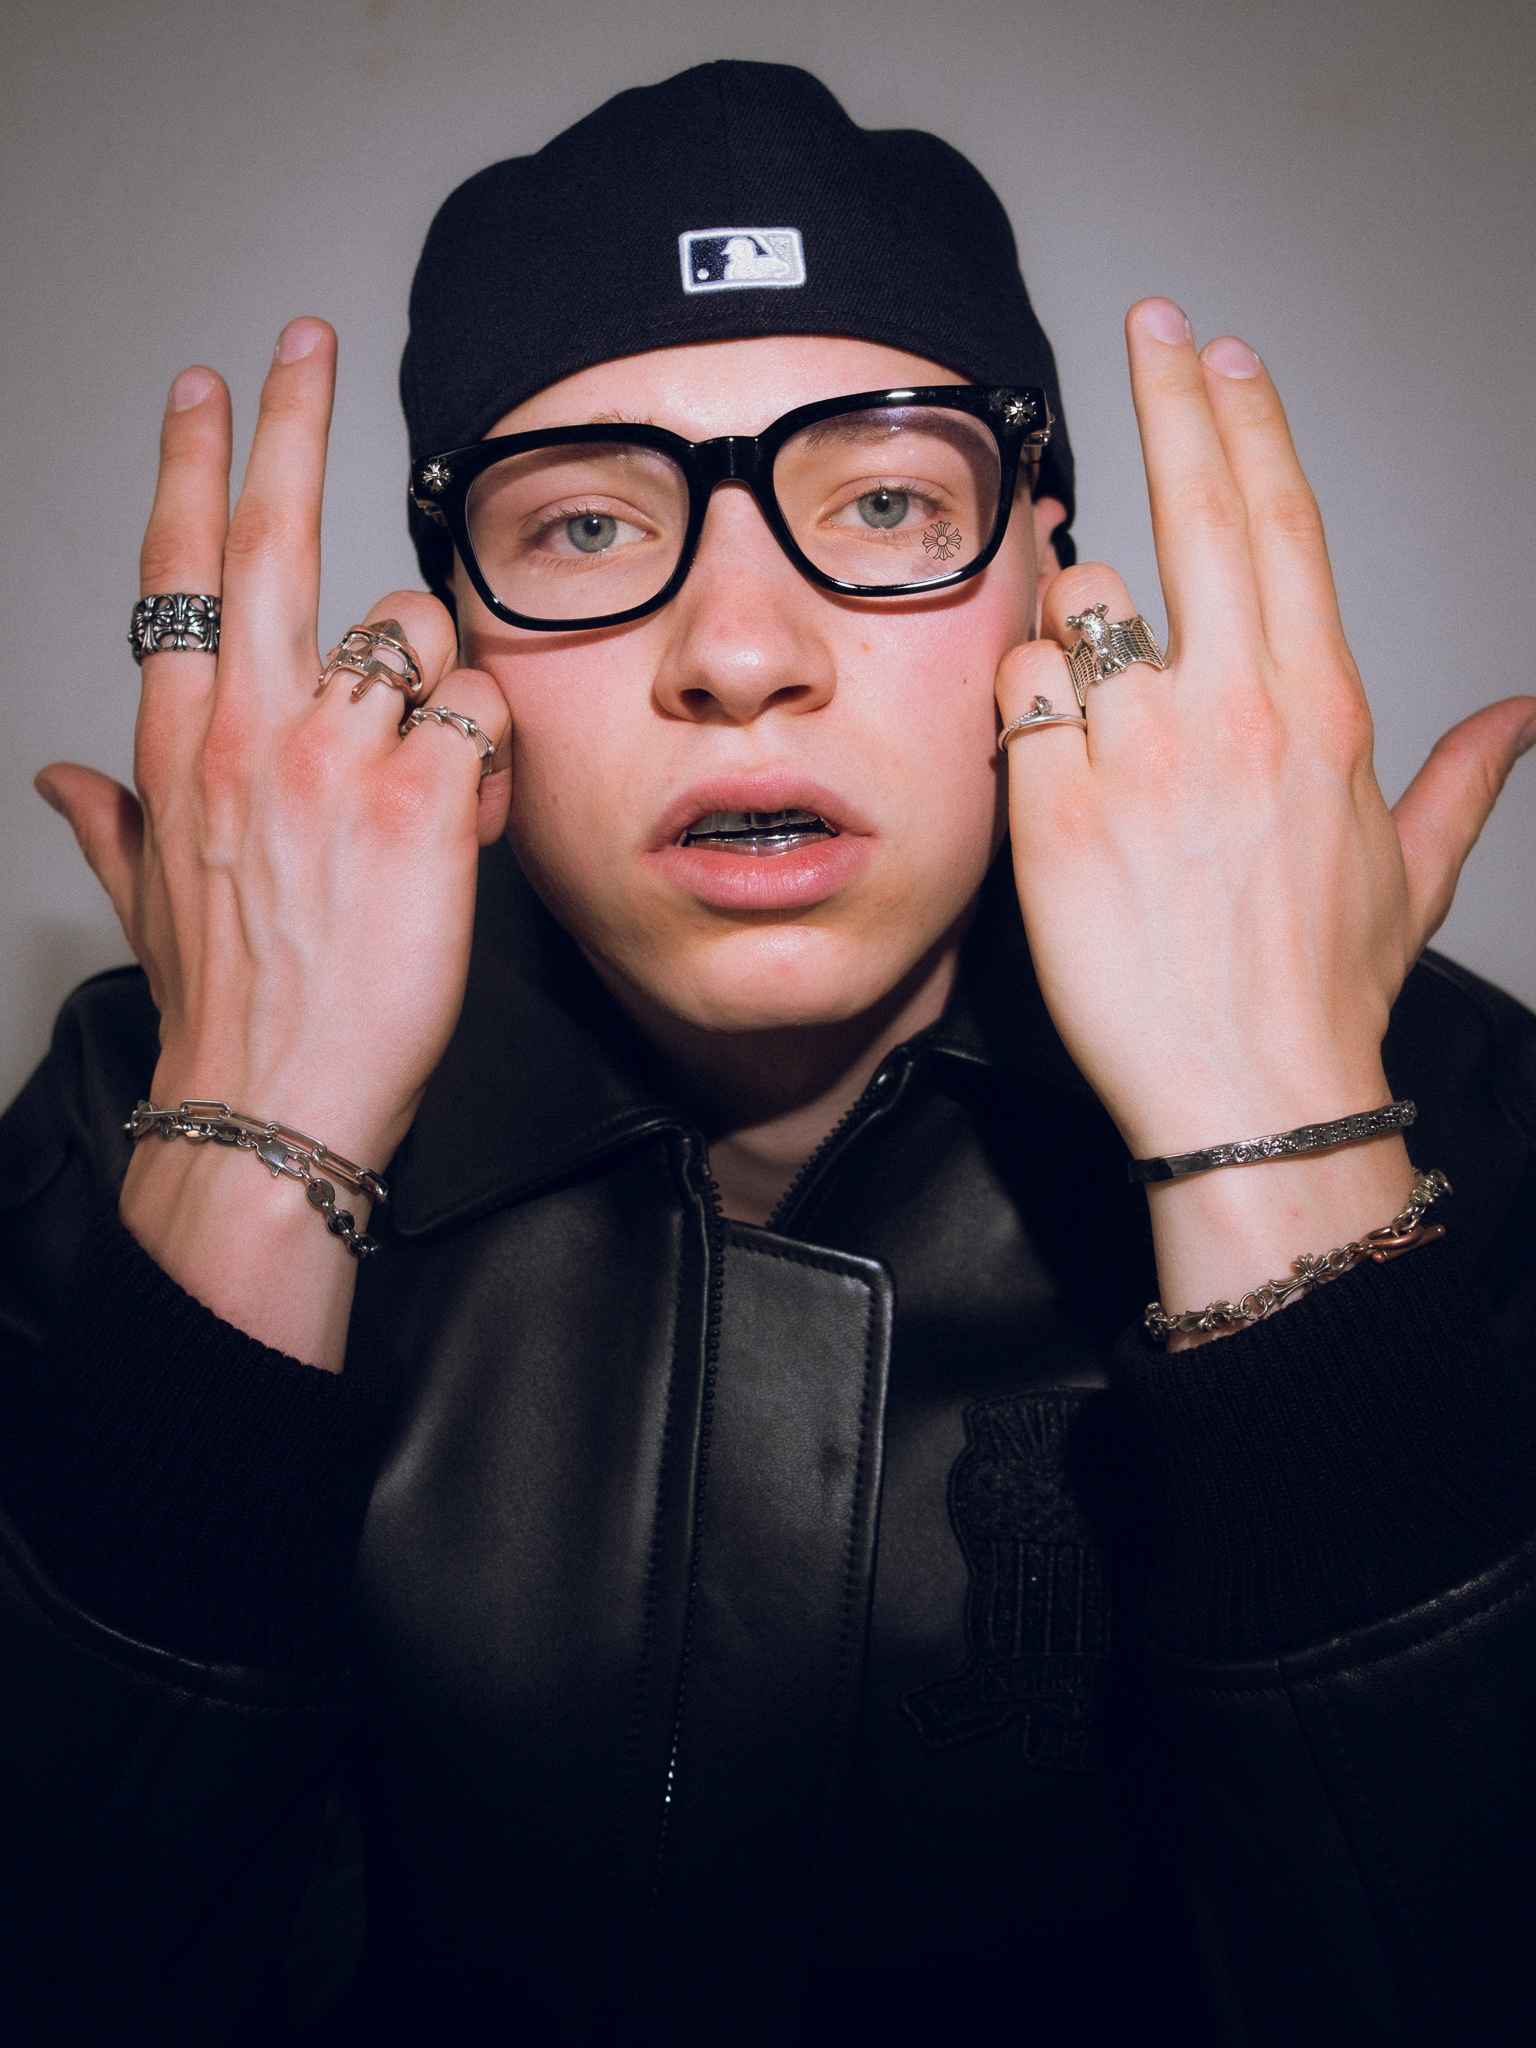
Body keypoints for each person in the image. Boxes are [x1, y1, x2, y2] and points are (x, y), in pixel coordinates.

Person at [2, 59, 1534, 2047]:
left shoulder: (1439, 1119)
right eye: (583, 524)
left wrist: (1278, 1150)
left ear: (1046, 576)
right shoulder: (147, 1108)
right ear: (452, 634)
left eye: (886, 503)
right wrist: (254, 1149)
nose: (740, 650)